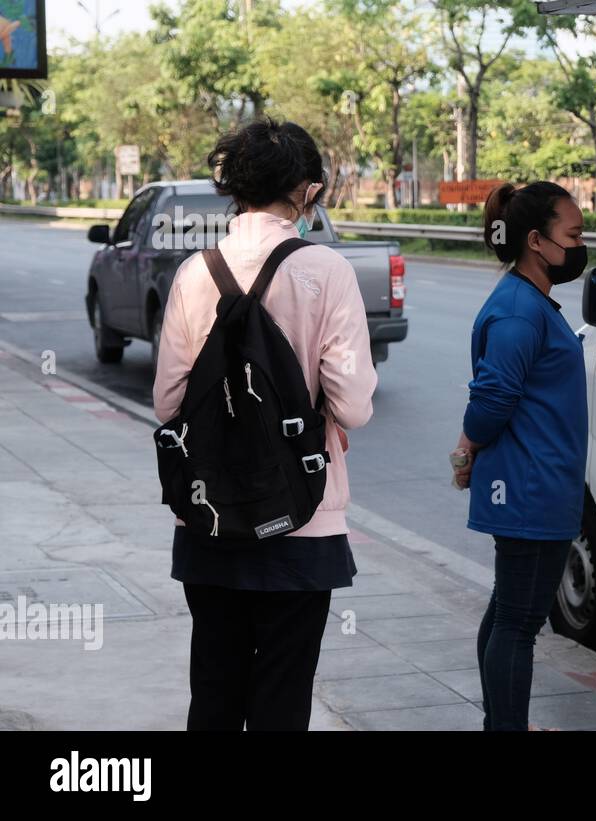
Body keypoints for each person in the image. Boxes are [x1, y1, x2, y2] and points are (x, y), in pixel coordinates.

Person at [153, 118, 376, 730]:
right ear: (307, 191)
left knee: (215, 690)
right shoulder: (326, 271)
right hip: (302, 518)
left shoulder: (196, 273)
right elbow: (354, 405)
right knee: (283, 696)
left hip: (209, 516)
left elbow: (168, 403)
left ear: (237, 189)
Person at [452, 181, 588, 731]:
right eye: (574, 234)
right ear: (536, 239)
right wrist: (467, 446)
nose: (582, 245)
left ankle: (499, 722)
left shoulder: (527, 301)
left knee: (509, 611)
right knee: (518, 620)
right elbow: (491, 399)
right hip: (529, 488)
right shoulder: (517, 311)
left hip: (536, 484)